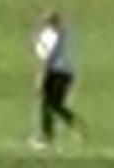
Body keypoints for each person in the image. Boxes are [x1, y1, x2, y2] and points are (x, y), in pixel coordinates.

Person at [31, 9, 81, 148]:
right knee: (53, 105)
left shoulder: (51, 35)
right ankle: (70, 125)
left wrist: (41, 75)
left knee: (49, 105)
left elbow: (46, 56)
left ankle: (48, 136)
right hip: (66, 73)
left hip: (55, 72)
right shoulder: (65, 34)